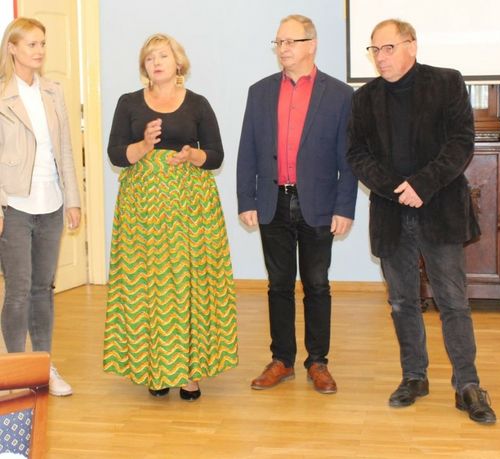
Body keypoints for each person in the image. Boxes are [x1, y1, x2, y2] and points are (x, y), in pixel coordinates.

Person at [347, 19, 496, 424]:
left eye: (388, 48)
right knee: (402, 302)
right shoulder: (364, 98)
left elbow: (461, 142)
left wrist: (422, 185)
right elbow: (357, 154)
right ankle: (414, 376)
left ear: (411, 45)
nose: (380, 57)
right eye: (374, 50)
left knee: (453, 302)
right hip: (391, 213)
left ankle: (467, 384)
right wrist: (397, 188)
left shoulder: (446, 82)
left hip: (440, 209)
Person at [103, 33, 238, 400]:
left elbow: (216, 155)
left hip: (191, 210)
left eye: (163, 56)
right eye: (150, 58)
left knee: (188, 285)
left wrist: (192, 156)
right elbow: (116, 154)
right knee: (149, 286)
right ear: (144, 67)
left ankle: (190, 373)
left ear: (178, 63)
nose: (156, 62)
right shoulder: (129, 103)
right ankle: (156, 368)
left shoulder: (198, 104)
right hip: (142, 211)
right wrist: (145, 145)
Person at [237, 15, 357, 394]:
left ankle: (318, 362)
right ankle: (282, 360)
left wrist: (345, 207)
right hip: (272, 201)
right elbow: (247, 150)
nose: (283, 49)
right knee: (279, 284)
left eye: (290, 41)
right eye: (279, 42)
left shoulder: (339, 95)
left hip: (319, 203)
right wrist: (246, 198)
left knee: (317, 284)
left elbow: (348, 158)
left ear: (312, 44)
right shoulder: (259, 92)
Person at [0, 17, 81, 397]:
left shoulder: (53, 91)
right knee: (17, 291)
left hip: (52, 204)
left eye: (43, 43)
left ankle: (42, 366)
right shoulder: (2, 93)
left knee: (42, 289)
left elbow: (64, 148)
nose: (40, 50)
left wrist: (73, 199)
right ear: (12, 48)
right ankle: (15, 372)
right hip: (14, 206)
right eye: (31, 44)